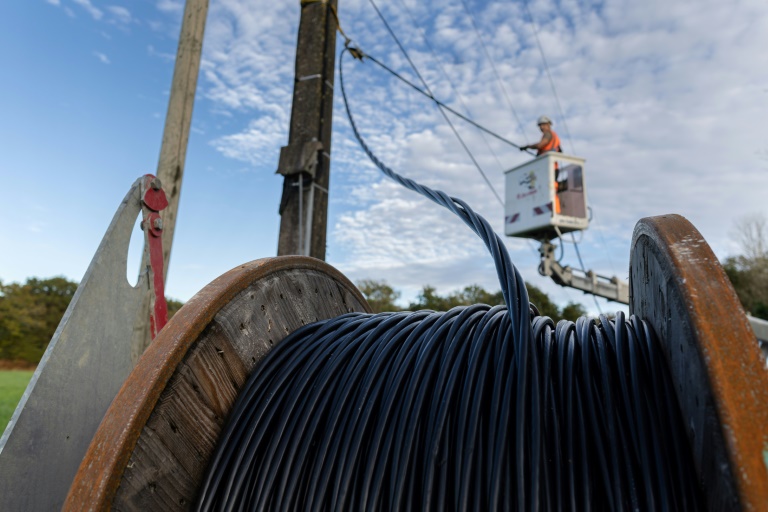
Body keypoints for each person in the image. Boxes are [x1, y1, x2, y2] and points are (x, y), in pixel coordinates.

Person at [520, 115, 564, 213]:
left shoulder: (548, 134)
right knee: (547, 189)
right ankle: (551, 211)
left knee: (550, 189)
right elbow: (560, 151)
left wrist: (527, 147)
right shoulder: (555, 137)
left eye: (543, 125)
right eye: (540, 125)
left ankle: (555, 211)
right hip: (550, 167)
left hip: (550, 167)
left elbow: (541, 144)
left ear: (548, 124)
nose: (541, 127)